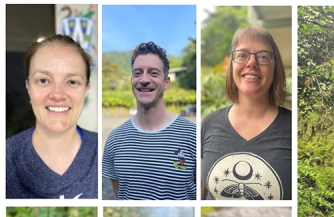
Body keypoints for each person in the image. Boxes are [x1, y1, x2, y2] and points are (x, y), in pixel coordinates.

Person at [201, 26, 291, 200]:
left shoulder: (292, 127)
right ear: (231, 67)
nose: (251, 63)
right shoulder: (208, 124)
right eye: (242, 55)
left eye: (263, 57)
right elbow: (200, 194)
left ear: (275, 71)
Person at [6, 35, 97, 199]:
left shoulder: (108, 153)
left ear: (86, 88)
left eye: (72, 82)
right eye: (43, 80)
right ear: (28, 87)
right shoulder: (6, 158)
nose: (57, 94)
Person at [102, 41, 196, 200]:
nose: (144, 80)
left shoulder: (192, 136)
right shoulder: (115, 140)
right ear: (131, 80)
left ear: (166, 82)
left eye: (153, 73)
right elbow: (122, 197)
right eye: (138, 73)